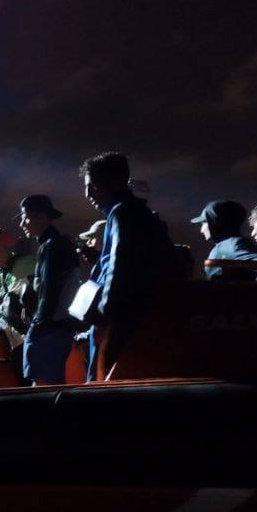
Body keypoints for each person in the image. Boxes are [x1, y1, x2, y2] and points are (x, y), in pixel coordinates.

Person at [80, 152, 170, 379]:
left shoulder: (121, 214)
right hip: (140, 316)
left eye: (93, 186)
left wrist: (103, 316)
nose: (88, 193)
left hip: (119, 320)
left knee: (105, 380)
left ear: (114, 183)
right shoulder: (140, 213)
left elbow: (119, 266)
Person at [19, 196, 80, 385]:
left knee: (42, 386)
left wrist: (37, 326)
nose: (22, 223)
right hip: (62, 327)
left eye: (25, 217)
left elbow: (48, 290)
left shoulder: (51, 247)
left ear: (42, 217)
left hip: (49, 329)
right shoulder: (58, 244)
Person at [190, 200, 257, 281]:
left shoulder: (235, 244)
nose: (201, 230)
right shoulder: (227, 244)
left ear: (214, 222)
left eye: (204, 222)